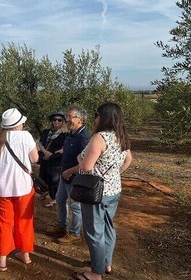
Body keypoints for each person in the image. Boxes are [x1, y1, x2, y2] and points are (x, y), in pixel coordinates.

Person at [72, 103, 132, 280]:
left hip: (95, 192)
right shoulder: (121, 136)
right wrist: (115, 174)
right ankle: (106, 263)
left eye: (97, 115)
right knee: (107, 227)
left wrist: (80, 158)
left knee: (93, 231)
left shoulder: (99, 137)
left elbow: (86, 166)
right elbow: (129, 159)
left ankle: (95, 273)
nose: (95, 118)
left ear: (103, 117)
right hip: (114, 190)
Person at [0, 108, 39, 272]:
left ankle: (2, 260)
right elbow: (35, 159)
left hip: (2, 188)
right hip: (23, 187)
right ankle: (25, 255)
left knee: (5, 223)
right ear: (18, 124)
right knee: (25, 221)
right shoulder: (26, 136)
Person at [46, 106, 90, 243]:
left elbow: (87, 161)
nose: (67, 119)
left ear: (80, 119)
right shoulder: (72, 134)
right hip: (64, 176)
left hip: (75, 178)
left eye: (71, 117)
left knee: (75, 206)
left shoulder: (84, 137)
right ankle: (62, 226)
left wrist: (72, 171)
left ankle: (74, 233)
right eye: (67, 117)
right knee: (60, 200)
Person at [37, 111, 68, 208]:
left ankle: (54, 198)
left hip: (56, 160)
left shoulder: (65, 134)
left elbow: (65, 147)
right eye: (55, 120)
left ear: (63, 122)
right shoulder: (46, 132)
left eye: (59, 120)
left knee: (54, 179)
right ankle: (44, 191)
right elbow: (40, 143)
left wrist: (52, 154)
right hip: (45, 158)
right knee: (42, 176)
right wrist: (45, 152)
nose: (57, 122)